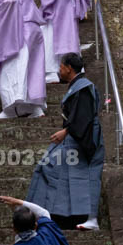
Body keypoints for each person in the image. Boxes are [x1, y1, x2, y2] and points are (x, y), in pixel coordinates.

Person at [25, 52, 104, 231]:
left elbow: (83, 118)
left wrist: (66, 132)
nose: (59, 70)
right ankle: (52, 215)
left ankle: (87, 218)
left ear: (69, 68)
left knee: (53, 167)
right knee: (50, 167)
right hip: (76, 137)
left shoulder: (83, 88)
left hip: (83, 139)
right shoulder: (78, 87)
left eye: (61, 67)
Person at [0, 196, 74, 245]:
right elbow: (44, 213)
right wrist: (18, 201)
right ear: (35, 225)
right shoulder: (47, 237)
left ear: (14, 229)